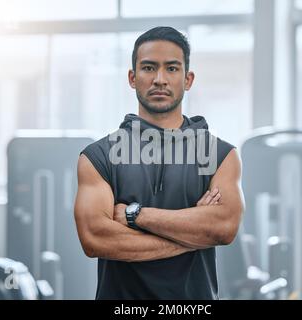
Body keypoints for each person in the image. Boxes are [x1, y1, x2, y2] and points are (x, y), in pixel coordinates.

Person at [74, 26, 245, 300]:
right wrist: (194, 238)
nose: (160, 79)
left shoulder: (220, 155)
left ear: (188, 79)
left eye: (172, 69)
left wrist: (135, 215)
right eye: (149, 68)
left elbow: (223, 228)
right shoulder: (98, 156)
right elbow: (95, 239)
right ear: (132, 77)